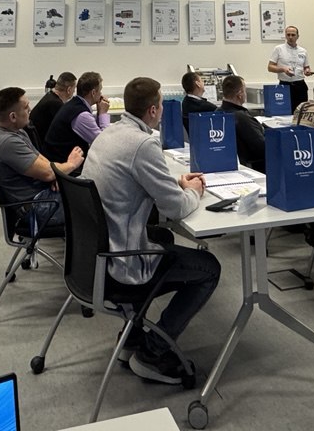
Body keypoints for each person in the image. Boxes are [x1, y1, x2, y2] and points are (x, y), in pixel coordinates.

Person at [84, 76, 221, 385]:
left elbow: (131, 179)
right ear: (153, 110)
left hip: (95, 255)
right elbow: (176, 208)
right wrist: (194, 190)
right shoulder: (144, 143)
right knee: (209, 267)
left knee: (163, 236)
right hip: (122, 261)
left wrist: (174, 183)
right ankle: (153, 352)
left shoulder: (109, 133)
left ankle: (132, 336)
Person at [0, 86, 84, 228]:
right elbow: (48, 172)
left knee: (90, 188)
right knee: (96, 199)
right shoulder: (8, 143)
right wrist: (71, 164)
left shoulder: (18, 132)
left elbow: (44, 163)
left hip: (43, 198)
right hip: (38, 208)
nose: (30, 110)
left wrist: (56, 176)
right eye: (25, 107)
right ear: (13, 117)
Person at [42, 70, 109, 162]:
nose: (101, 94)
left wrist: (99, 112)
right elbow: (103, 143)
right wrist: (103, 113)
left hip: (57, 158)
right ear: (93, 93)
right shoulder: (82, 115)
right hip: (62, 164)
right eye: (100, 90)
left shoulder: (74, 104)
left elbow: (94, 131)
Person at [219, 74, 265, 172]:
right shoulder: (241, 117)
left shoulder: (217, 112)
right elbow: (263, 148)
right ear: (240, 94)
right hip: (255, 167)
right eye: (245, 90)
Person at [268, 25, 313, 105]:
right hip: (285, 85)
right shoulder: (278, 49)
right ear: (285, 36)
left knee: (301, 110)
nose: (290, 37)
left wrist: (307, 71)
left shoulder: (303, 51)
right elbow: (270, 67)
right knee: (285, 110)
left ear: (297, 36)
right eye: (288, 35)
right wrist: (283, 69)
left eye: (293, 35)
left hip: (300, 85)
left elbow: (306, 67)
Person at [28, 72, 77, 146]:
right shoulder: (56, 104)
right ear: (69, 89)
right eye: (74, 88)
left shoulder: (50, 97)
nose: (74, 91)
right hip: (42, 146)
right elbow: (65, 130)